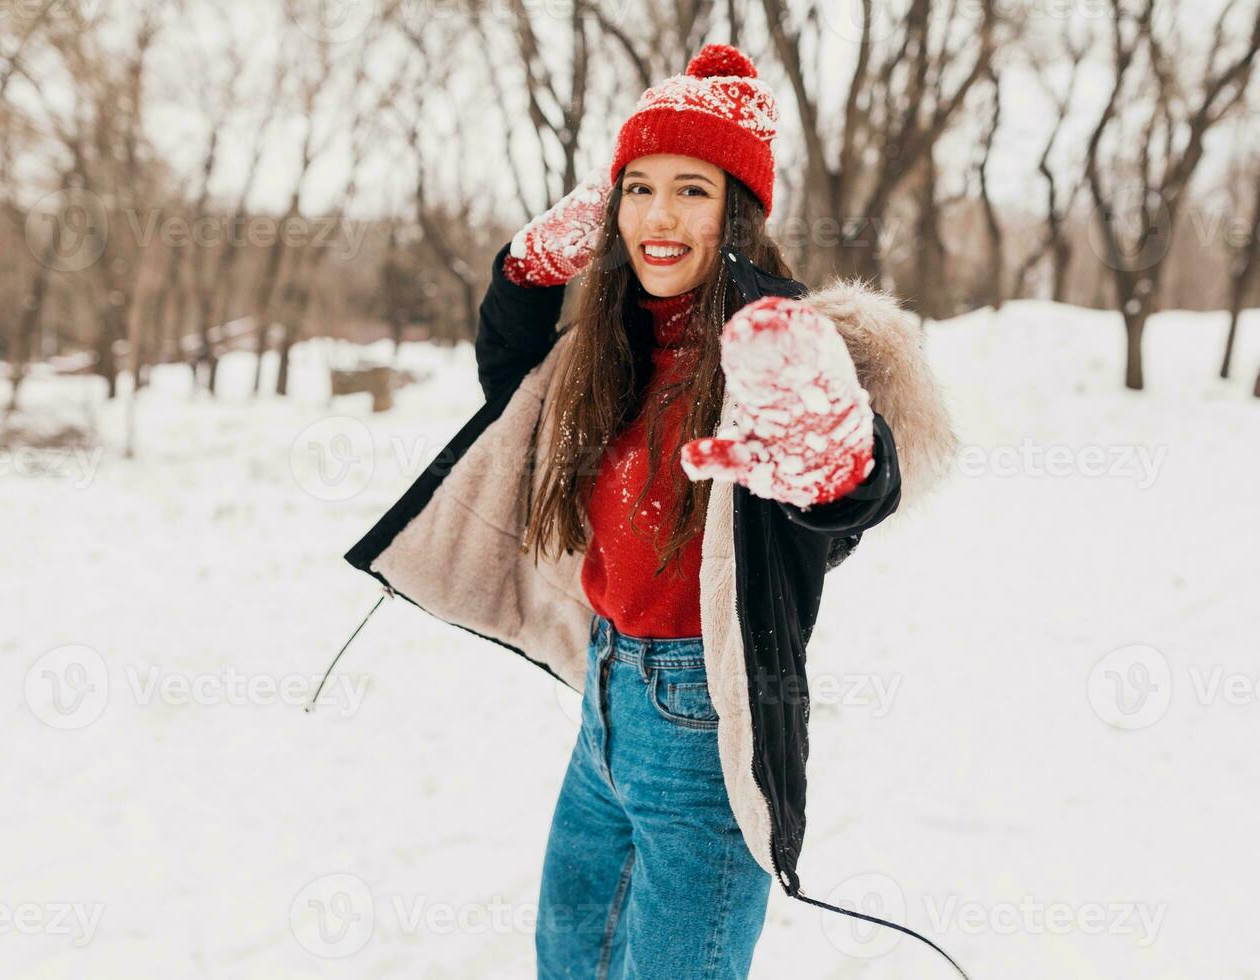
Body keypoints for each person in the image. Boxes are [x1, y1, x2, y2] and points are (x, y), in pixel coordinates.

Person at [342, 43, 962, 979]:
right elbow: (511, 390)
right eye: (638, 188)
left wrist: (834, 462)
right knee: (570, 956)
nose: (659, 216)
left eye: (692, 190)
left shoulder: (779, 346)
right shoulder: (612, 345)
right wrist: (524, 271)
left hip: (702, 726)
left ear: (739, 213)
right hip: (604, 698)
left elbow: (852, 489)